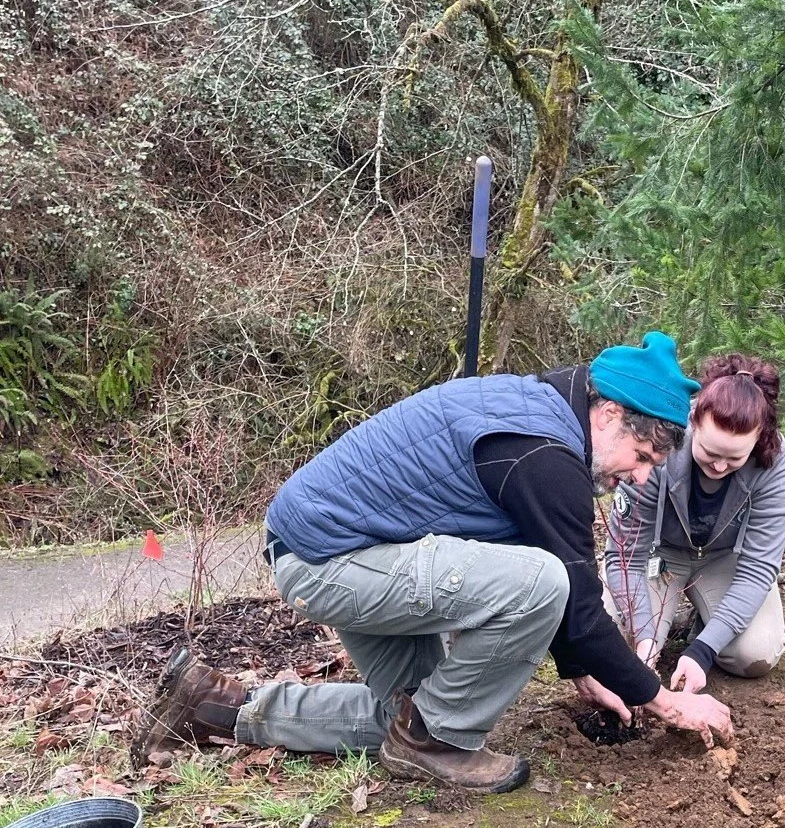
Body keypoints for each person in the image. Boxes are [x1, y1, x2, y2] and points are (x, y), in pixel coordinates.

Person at [132, 332, 735, 793]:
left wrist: (584, 669)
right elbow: (567, 597)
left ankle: (214, 708)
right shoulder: (545, 455)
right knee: (520, 611)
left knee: (408, 716)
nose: (640, 474)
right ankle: (434, 743)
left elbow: (557, 590)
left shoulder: (538, 409)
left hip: (333, 552)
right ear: (608, 415)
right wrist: (662, 698)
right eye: (643, 454)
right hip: (335, 559)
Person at [603, 353, 785, 695]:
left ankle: (703, 626)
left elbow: (758, 569)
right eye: (710, 452)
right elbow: (625, 557)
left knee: (754, 654)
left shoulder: (774, 464)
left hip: (725, 562)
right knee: (615, 641)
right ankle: (663, 623)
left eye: (735, 458)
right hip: (658, 558)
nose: (720, 467)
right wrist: (645, 638)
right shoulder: (659, 444)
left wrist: (702, 652)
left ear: (758, 439)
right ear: (694, 422)